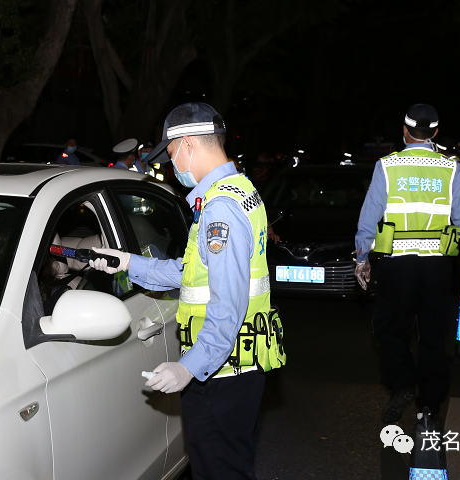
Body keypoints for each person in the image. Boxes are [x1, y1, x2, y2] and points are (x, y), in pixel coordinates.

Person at [89, 102, 285, 479]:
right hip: (238, 364)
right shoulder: (240, 190)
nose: (172, 165)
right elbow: (192, 273)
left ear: (189, 145)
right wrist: (127, 262)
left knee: (219, 470)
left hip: (221, 371)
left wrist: (188, 367)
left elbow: (227, 306)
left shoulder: (220, 208)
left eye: (172, 154)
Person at [354, 104, 460, 425]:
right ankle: (430, 405)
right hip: (437, 267)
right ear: (435, 132)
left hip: (396, 265)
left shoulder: (387, 166)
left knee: (389, 329)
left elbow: (369, 217)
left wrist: (362, 258)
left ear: (405, 131)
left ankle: (401, 384)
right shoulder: (451, 169)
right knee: (433, 335)